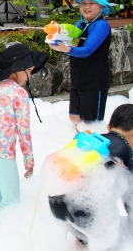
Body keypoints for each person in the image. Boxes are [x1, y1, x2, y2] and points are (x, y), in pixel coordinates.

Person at [0, 43, 49, 220]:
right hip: (3, 154)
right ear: (17, 69)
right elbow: (23, 131)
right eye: (29, 70)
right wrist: (28, 160)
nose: (30, 75)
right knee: (11, 202)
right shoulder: (18, 93)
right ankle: (6, 241)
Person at [46, 103, 133, 249]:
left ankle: (81, 241)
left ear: (108, 126)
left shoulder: (91, 142)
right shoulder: (125, 152)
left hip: (56, 205)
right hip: (85, 211)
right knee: (106, 240)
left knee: (84, 230)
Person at [49, 0, 112, 128]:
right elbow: (70, 41)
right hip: (79, 78)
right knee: (74, 118)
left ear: (102, 6)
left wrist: (66, 49)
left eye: (91, 3)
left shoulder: (101, 25)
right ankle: (77, 148)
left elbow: (87, 50)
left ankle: (92, 148)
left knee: (90, 123)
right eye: (83, 3)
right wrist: (57, 39)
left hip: (94, 81)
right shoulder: (81, 24)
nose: (86, 7)